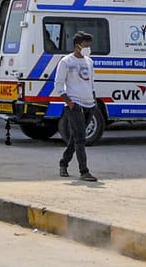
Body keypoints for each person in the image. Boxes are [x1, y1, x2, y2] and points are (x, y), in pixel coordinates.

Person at [55, 31, 98, 182]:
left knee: (76, 137)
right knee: (81, 138)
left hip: (89, 104)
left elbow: (91, 82)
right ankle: (84, 171)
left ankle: (63, 163)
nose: (88, 48)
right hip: (75, 105)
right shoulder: (66, 62)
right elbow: (59, 85)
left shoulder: (89, 62)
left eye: (89, 46)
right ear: (77, 46)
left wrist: (93, 99)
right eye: (85, 45)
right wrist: (70, 103)